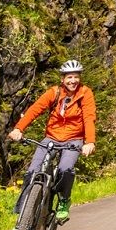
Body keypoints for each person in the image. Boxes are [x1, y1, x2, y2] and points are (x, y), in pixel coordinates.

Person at [9, 60, 96, 221]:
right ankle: (22, 215)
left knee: (65, 169)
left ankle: (64, 200)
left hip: (74, 139)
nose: (73, 81)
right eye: (69, 77)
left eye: (76, 77)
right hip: (51, 137)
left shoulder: (85, 93)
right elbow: (35, 110)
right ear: (62, 79)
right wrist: (18, 128)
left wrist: (89, 141)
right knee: (32, 171)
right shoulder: (54, 92)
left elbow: (89, 117)